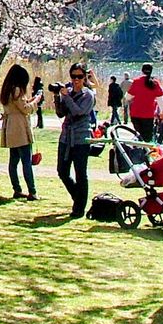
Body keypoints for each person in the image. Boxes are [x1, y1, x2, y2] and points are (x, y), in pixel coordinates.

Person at [54, 63, 96, 218]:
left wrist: (67, 97)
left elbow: (78, 112)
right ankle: (78, 198)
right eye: (73, 76)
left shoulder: (88, 95)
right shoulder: (68, 92)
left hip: (81, 138)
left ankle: (79, 208)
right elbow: (61, 113)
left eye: (79, 76)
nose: (76, 80)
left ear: (84, 77)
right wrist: (57, 97)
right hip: (66, 136)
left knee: (80, 173)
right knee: (62, 171)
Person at [0, 65, 41, 201]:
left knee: (13, 162)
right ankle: (32, 191)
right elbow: (25, 109)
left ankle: (17, 189)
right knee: (26, 162)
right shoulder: (17, 90)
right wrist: (36, 101)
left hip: (10, 128)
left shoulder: (7, 90)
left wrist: (29, 100)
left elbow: (17, 105)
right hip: (20, 129)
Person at [126, 63, 163, 143]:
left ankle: (138, 152)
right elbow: (160, 99)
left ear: (142, 70)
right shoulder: (155, 83)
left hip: (136, 113)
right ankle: (146, 153)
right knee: (147, 137)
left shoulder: (136, 81)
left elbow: (128, 97)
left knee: (139, 135)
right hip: (148, 114)